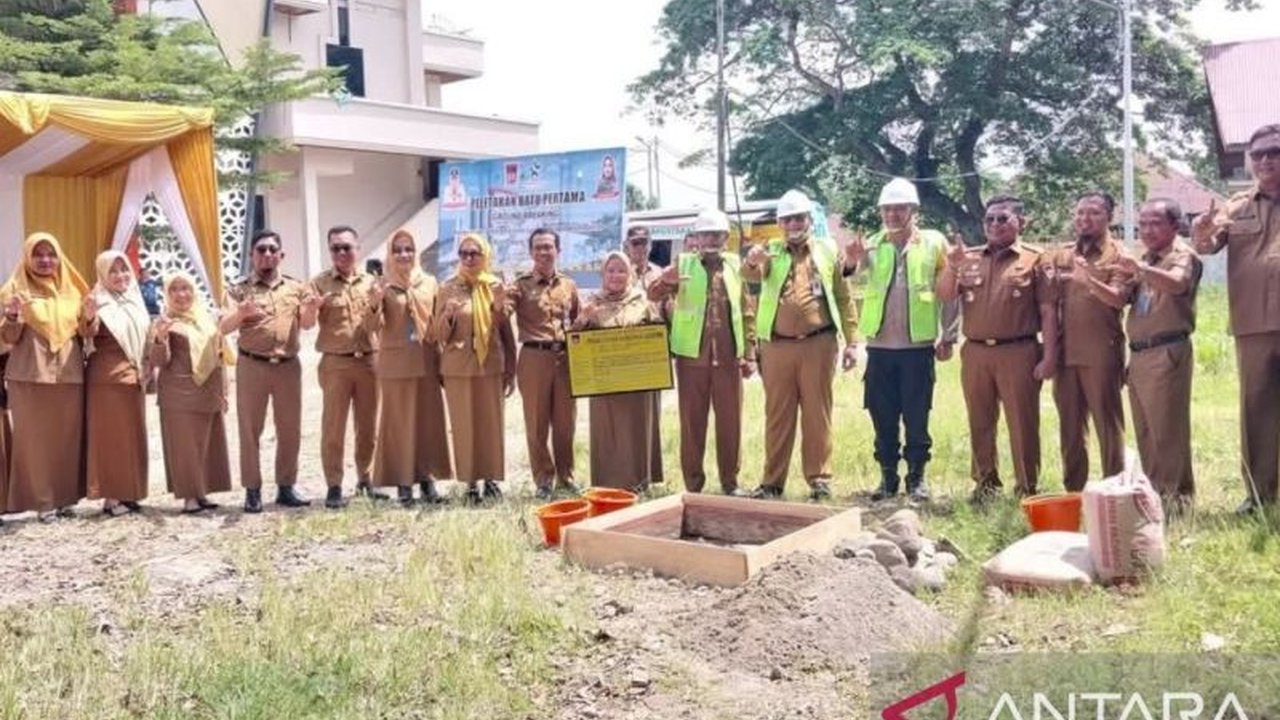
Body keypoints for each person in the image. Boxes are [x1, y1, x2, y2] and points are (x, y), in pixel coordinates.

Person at [843, 178, 959, 502]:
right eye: (887, 209)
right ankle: (888, 478)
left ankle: (917, 478)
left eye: (899, 208)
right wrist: (852, 260)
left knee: (917, 414)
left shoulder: (934, 243)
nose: (892, 214)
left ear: (913, 211)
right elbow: (852, 270)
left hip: (917, 349)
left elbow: (949, 294)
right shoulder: (873, 243)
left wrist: (949, 336)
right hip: (880, 349)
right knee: (882, 414)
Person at [937, 195, 1059, 501]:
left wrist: (1050, 356)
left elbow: (1048, 311)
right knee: (980, 419)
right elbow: (946, 294)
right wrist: (952, 267)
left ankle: (1026, 486)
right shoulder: (971, 258)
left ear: (1021, 222)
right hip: (976, 352)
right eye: (989, 219)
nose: (994, 225)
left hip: (1018, 351)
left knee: (1022, 421)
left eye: (1002, 219)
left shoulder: (1035, 259)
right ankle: (985, 483)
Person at [743, 190, 859, 500]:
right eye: (788, 218)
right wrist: (752, 261)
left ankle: (819, 479)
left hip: (818, 344)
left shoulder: (827, 249)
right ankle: (771, 482)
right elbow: (751, 275)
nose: (794, 223)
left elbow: (844, 296)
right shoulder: (769, 250)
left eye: (799, 217)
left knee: (817, 413)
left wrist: (852, 342)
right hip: (777, 347)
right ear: (779, 223)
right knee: (778, 415)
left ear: (809, 219)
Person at [1192, 123, 1280, 515]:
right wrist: (1200, 232)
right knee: (1257, 408)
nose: (1264, 160)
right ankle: (1260, 494)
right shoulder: (1238, 207)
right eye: (1257, 154)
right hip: (1254, 324)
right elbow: (1207, 246)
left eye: (1274, 152)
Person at [1102, 198, 1202, 514]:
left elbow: (1177, 284)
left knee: (1167, 430)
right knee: (1146, 430)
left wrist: (1140, 269)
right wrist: (1088, 281)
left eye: (1156, 223)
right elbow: (1120, 300)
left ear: (1175, 226)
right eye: (1142, 224)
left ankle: (1178, 501)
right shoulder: (1147, 258)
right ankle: (1156, 493)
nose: (1147, 230)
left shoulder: (1181, 256)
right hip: (1141, 355)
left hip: (1167, 350)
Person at [649, 209, 754, 496]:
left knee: (730, 422)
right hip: (691, 358)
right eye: (705, 234)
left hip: (729, 358)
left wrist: (751, 353)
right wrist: (666, 281)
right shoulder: (682, 264)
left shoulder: (735, 266)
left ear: (725, 238)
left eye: (716, 234)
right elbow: (653, 295)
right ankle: (693, 485)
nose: (710, 239)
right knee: (692, 424)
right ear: (696, 237)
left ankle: (730, 483)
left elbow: (746, 311)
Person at [220, 230, 314, 513]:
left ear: (281, 255)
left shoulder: (296, 288)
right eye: (261, 249)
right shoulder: (238, 289)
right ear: (252, 254)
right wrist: (241, 314)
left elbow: (308, 324)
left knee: (290, 429)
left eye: (273, 249)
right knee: (250, 430)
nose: (267, 254)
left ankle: (286, 486)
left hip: (287, 366)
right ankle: (252, 490)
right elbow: (223, 327)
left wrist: (311, 310)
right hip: (253, 365)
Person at [0, 232, 89, 521]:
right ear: (27, 257)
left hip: (68, 374)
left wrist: (90, 318)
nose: (45, 260)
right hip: (29, 375)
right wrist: (13, 316)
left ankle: (64, 498)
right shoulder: (13, 290)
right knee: (34, 440)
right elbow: (7, 338)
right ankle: (42, 501)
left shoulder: (74, 291)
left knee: (66, 437)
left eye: (51, 254)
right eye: (38, 254)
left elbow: (86, 333)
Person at [1045, 191, 1129, 491]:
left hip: (1100, 354)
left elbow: (1119, 300)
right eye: (1080, 213)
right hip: (1066, 356)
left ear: (1109, 217)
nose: (1084, 219)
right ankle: (1074, 492)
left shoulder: (1118, 255)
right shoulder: (1062, 256)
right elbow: (1049, 305)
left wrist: (1089, 279)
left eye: (1093, 213)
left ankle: (1114, 491)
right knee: (1070, 427)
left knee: (1108, 426)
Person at [369, 229, 453, 506]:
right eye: (398, 250)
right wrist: (373, 303)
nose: (404, 255)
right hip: (396, 365)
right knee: (399, 424)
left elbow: (439, 323)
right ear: (390, 255)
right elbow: (370, 327)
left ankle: (427, 481)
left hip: (427, 361)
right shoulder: (382, 285)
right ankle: (404, 483)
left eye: (408, 249)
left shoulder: (429, 283)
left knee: (428, 423)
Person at [305, 225, 381, 509]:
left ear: (357, 249)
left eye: (346, 247)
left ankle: (366, 479)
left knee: (368, 425)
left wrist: (375, 304)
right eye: (335, 248)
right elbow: (306, 323)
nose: (341, 253)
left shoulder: (371, 283)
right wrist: (314, 308)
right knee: (333, 427)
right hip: (336, 363)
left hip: (369, 361)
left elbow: (378, 325)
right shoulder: (319, 284)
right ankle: (334, 485)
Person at [436, 233, 516, 503]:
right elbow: (438, 335)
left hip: (490, 365)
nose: (468, 259)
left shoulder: (495, 285)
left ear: (485, 256)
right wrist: (447, 316)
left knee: (491, 425)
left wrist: (499, 303)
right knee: (464, 425)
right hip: (458, 368)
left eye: (474, 253)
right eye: (463, 254)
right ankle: (470, 483)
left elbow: (504, 330)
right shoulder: (448, 287)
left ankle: (491, 480)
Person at [576, 252, 665, 490]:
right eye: (611, 270)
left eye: (621, 270)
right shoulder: (592, 303)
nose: (616, 276)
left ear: (630, 274)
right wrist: (583, 319)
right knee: (608, 431)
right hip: (605, 382)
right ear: (603, 274)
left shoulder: (643, 302)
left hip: (637, 381)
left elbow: (658, 334)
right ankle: (607, 484)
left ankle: (639, 482)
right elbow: (576, 341)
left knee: (637, 427)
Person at [508, 228, 582, 501]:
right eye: (538, 247)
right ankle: (543, 479)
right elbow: (501, 312)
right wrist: (497, 297)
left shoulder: (569, 285)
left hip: (564, 359)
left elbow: (577, 320)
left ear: (558, 251)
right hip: (533, 358)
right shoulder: (520, 285)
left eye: (548, 247)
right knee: (536, 422)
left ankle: (566, 476)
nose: (543, 252)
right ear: (531, 253)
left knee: (565, 422)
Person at [153, 272, 234, 513]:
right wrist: (160, 337)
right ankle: (189, 497)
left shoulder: (206, 319)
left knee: (207, 444)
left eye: (186, 288)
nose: (181, 294)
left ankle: (202, 492)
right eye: (174, 290)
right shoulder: (164, 321)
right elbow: (159, 360)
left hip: (208, 391)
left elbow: (219, 357)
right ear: (167, 295)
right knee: (185, 446)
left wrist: (224, 392)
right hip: (179, 395)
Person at [83, 250, 151, 516]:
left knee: (131, 437)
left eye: (124, 269)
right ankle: (111, 497)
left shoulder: (134, 299)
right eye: (113, 271)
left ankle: (128, 492)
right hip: (107, 382)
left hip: (134, 379)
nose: (120, 275)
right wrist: (89, 316)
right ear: (102, 273)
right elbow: (86, 332)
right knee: (110, 438)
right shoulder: (97, 300)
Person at [624, 224, 666, 485]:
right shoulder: (617, 271)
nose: (639, 247)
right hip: (624, 353)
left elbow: (670, 310)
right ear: (627, 246)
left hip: (652, 352)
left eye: (643, 242)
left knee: (651, 415)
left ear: (650, 245)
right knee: (626, 414)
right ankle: (626, 470)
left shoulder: (661, 274)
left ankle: (648, 474)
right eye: (634, 243)